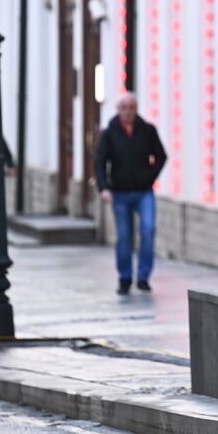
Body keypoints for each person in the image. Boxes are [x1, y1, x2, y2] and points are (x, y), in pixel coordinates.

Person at [93, 92, 167, 295]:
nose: (128, 111)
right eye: (124, 108)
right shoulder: (109, 133)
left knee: (148, 229)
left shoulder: (148, 130)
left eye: (131, 108)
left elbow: (161, 156)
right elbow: (100, 162)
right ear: (118, 110)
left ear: (136, 109)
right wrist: (104, 187)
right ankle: (125, 278)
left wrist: (150, 177)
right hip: (120, 193)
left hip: (144, 192)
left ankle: (143, 277)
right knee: (124, 236)